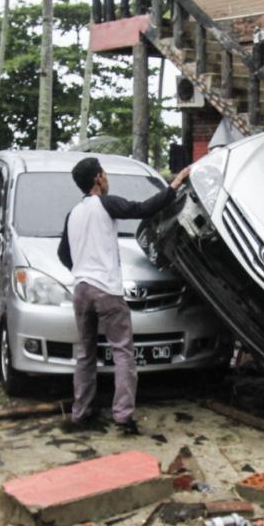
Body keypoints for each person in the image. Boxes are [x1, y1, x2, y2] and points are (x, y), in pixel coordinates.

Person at [57, 157, 191, 434]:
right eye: (104, 174)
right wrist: (175, 185)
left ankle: (80, 413)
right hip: (106, 290)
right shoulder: (105, 204)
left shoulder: (73, 213)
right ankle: (122, 416)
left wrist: (82, 270)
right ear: (97, 178)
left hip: (81, 290)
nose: (107, 179)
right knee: (122, 353)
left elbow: (63, 254)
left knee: (85, 354)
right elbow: (142, 209)